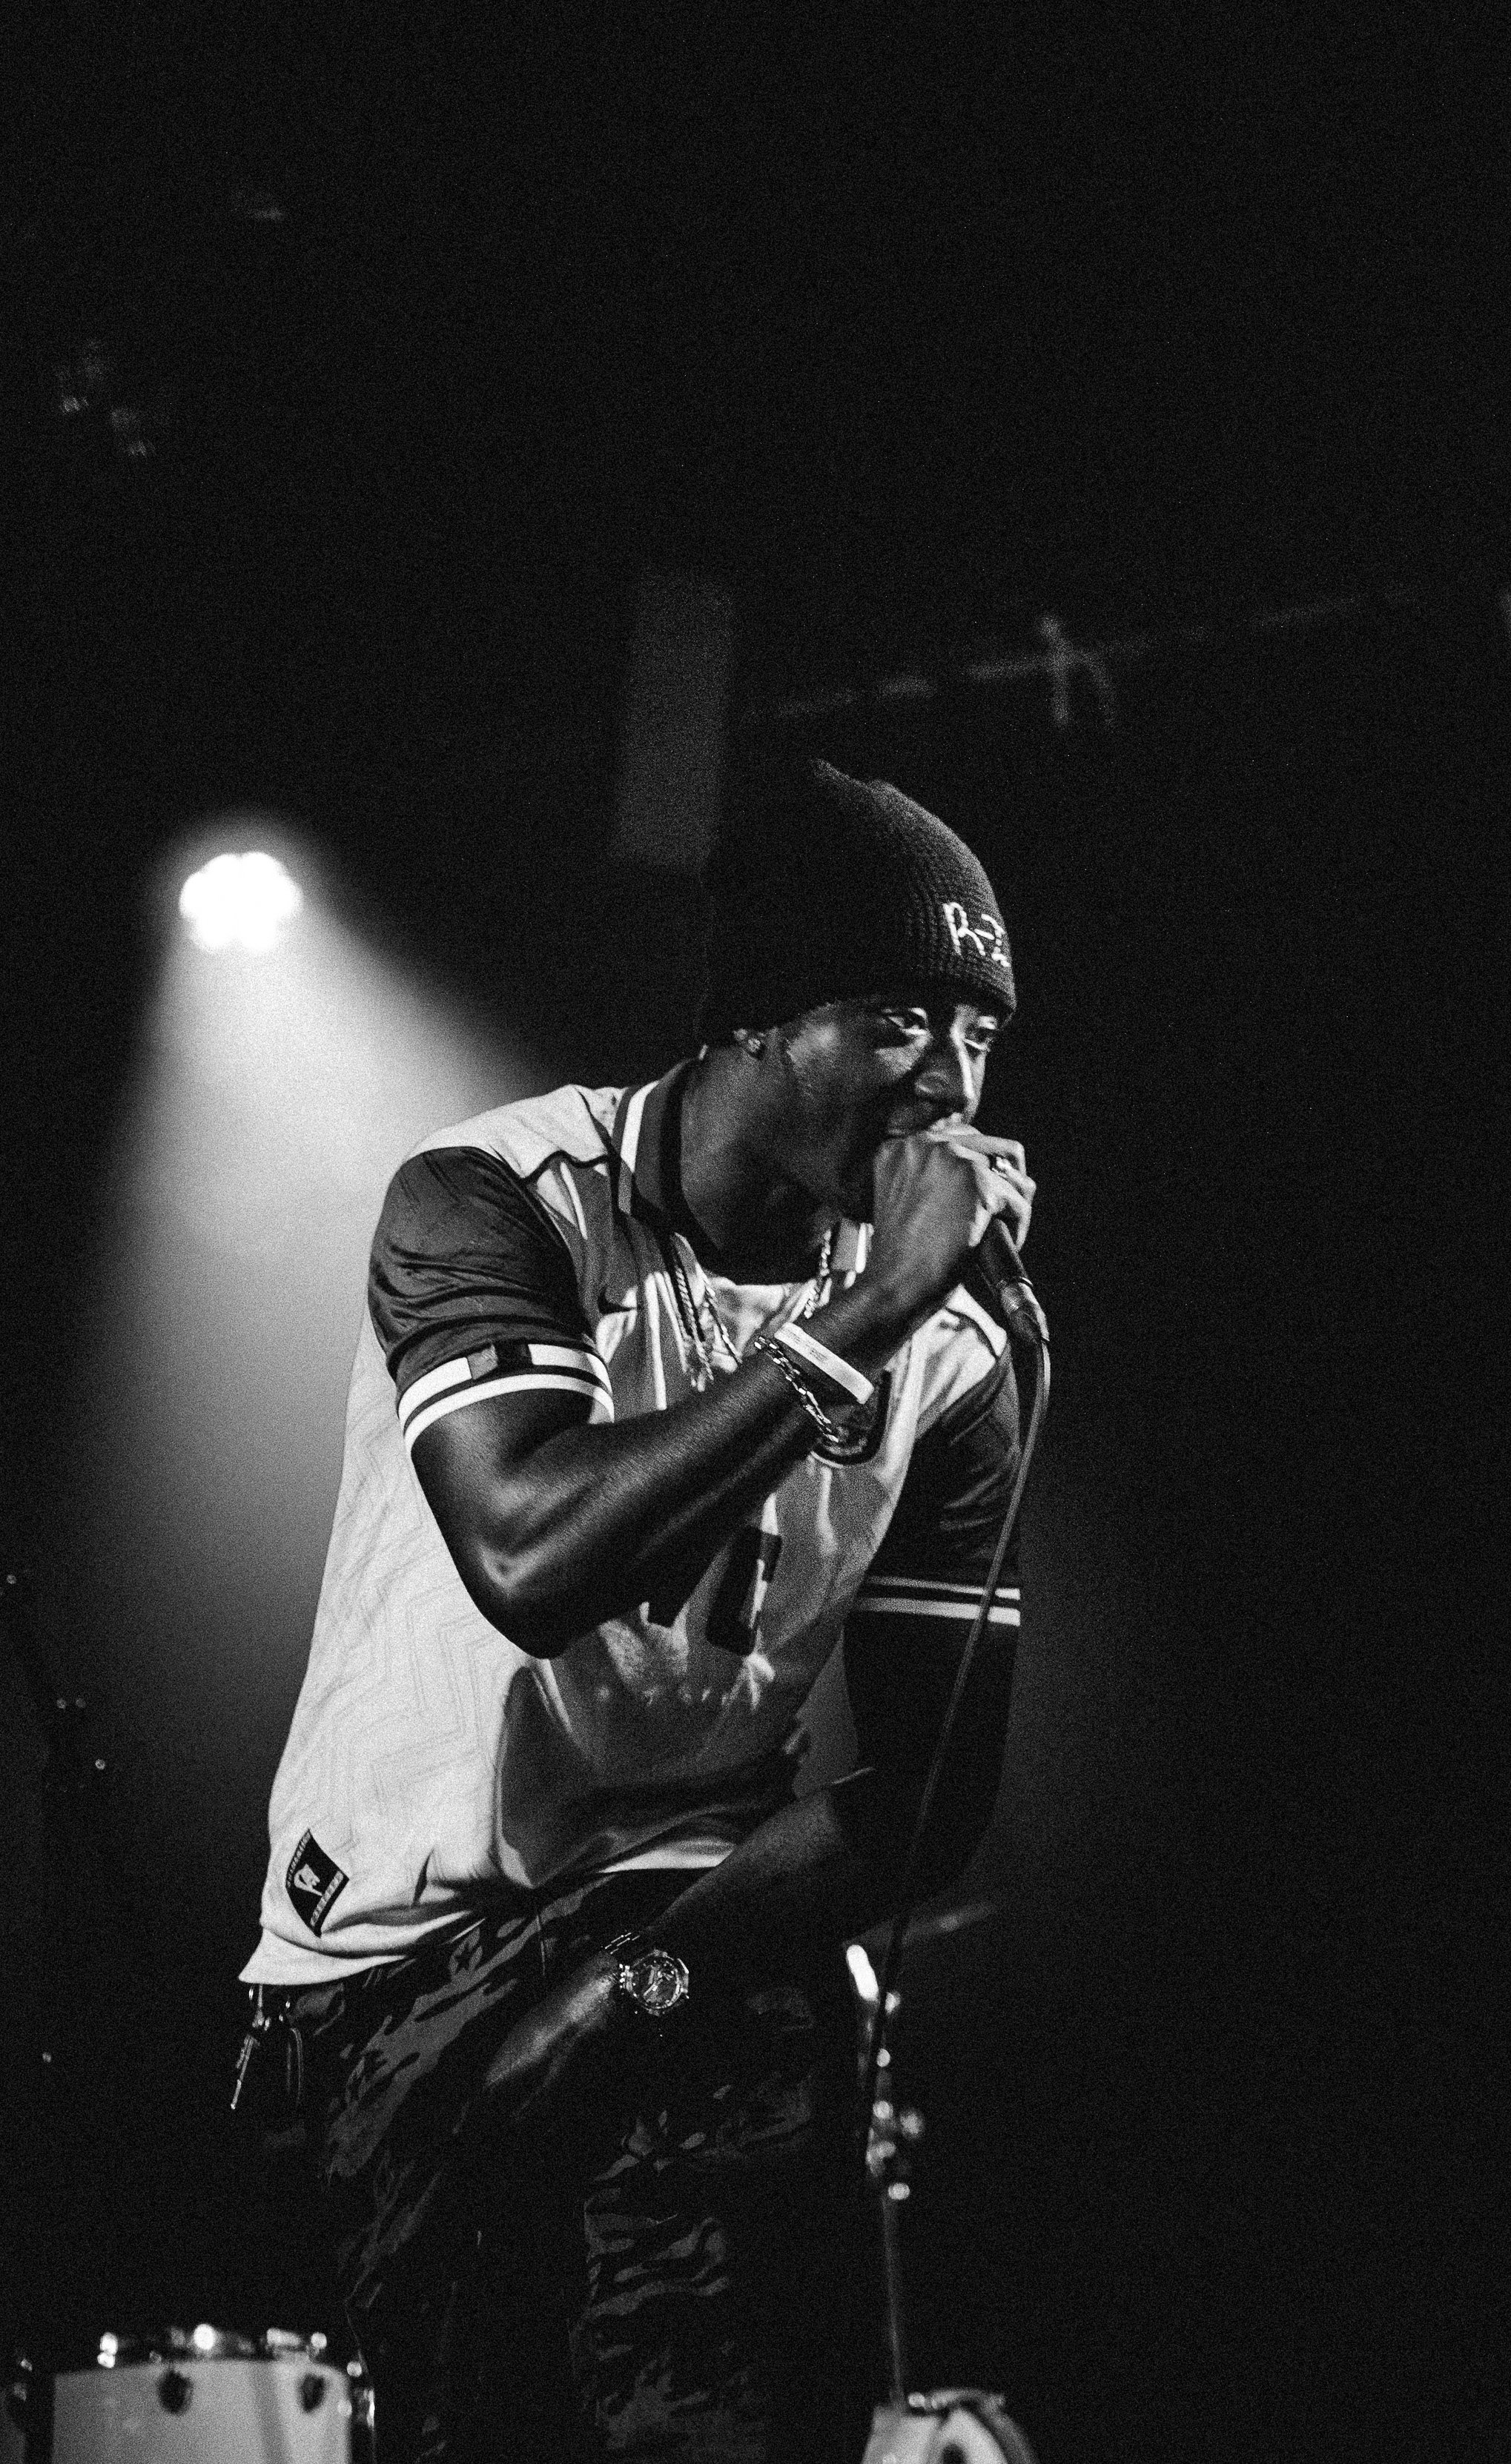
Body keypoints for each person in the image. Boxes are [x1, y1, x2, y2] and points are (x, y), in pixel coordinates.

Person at [239, 758, 1039, 2461]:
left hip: (688, 1932)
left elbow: (928, 1794)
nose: (948, 1090)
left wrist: (626, 1996)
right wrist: (858, 1323)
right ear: (759, 1014)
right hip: (406, 1947)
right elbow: (530, 1563)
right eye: (901, 1020)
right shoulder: (490, 1198)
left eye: (979, 1037)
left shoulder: (957, 1360)